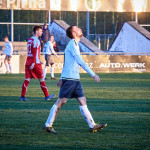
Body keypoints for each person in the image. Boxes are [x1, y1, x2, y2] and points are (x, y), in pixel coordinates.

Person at [43, 26, 107, 133]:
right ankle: (48, 125)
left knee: (83, 100)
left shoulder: (75, 44)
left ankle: (92, 125)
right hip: (70, 80)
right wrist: (93, 74)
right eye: (77, 29)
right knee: (61, 102)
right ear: (74, 34)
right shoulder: (72, 44)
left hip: (75, 79)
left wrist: (61, 78)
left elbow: (67, 63)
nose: (80, 29)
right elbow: (80, 61)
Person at [20, 25, 55, 101]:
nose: (42, 32)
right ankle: (47, 96)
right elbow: (35, 52)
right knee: (42, 79)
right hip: (34, 63)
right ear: (36, 32)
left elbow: (32, 52)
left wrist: (38, 60)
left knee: (27, 80)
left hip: (28, 61)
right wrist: (34, 62)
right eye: (40, 31)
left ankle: (22, 97)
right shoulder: (36, 41)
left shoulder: (30, 40)